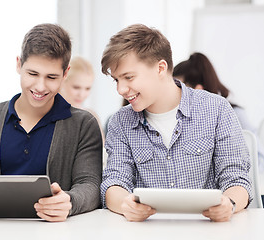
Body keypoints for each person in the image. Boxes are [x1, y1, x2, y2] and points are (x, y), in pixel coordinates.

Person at [0, 23, 102, 222]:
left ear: (66, 73)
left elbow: (91, 187)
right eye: (32, 74)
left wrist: (70, 201)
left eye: (51, 77)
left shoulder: (84, 125)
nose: (40, 86)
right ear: (19, 64)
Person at [100, 24, 252, 222]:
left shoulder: (216, 109)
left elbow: (237, 178)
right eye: (116, 80)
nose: (121, 89)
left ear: (160, 68)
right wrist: (124, 204)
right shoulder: (120, 122)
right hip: (146, 231)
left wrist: (229, 204)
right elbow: (114, 181)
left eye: (128, 77)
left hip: (207, 230)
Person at [173, 52, 264, 172]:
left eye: (178, 88)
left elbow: (260, 161)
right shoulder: (180, 119)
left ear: (197, 90)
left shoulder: (233, 114)